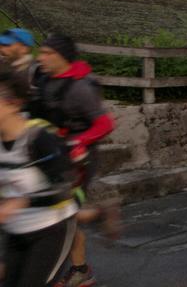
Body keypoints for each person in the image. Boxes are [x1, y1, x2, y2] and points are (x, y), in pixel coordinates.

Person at [31, 34, 117, 287]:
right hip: (52, 155)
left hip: (80, 161)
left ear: (62, 56)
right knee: (54, 211)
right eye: (41, 52)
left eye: (47, 53)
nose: (41, 57)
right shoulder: (44, 79)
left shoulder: (80, 88)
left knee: (62, 215)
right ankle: (94, 222)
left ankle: (75, 269)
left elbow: (105, 123)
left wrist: (80, 141)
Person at [0, 65, 78, 287]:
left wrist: (21, 202)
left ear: (13, 103)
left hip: (51, 230)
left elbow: (65, 188)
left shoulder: (38, 138)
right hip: (16, 233)